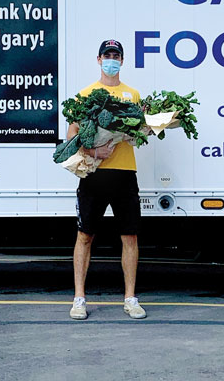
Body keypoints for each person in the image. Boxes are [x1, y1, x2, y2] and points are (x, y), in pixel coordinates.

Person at [68, 39, 146, 320]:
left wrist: (141, 132)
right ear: (99, 60)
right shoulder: (86, 95)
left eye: (116, 55)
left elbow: (139, 132)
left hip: (125, 174)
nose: (112, 59)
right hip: (94, 174)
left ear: (122, 61)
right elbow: (71, 136)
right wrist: (93, 150)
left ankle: (130, 299)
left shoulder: (133, 95)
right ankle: (79, 299)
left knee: (130, 237)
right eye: (107, 55)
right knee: (85, 236)